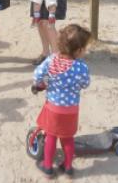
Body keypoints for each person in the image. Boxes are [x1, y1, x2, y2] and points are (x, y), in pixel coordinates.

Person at [32, 24, 91, 178]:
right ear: (78, 51)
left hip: (53, 108)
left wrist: (41, 83)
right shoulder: (81, 67)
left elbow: (38, 75)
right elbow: (85, 84)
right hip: (71, 110)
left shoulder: (51, 60)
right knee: (67, 138)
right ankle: (68, 166)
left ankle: (47, 167)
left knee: (51, 136)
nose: (85, 51)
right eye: (85, 48)